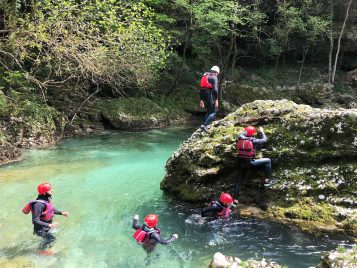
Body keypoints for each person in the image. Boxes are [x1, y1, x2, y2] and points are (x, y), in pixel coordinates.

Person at [22, 182, 69, 255]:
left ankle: (42, 249)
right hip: (40, 229)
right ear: (44, 193)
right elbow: (35, 220)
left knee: (49, 238)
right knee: (52, 239)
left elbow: (50, 209)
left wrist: (61, 213)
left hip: (45, 227)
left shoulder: (46, 200)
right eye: (49, 190)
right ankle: (41, 251)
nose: (52, 191)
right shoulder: (38, 205)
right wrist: (49, 225)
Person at [234, 126, 277, 201]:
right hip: (250, 163)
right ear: (252, 134)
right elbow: (264, 140)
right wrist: (261, 131)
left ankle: (235, 200)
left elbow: (241, 134)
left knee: (238, 182)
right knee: (268, 160)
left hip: (240, 163)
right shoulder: (253, 141)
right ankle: (266, 181)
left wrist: (246, 132)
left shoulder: (239, 139)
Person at [199, 66, 220, 132]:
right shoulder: (214, 77)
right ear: (216, 72)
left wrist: (201, 99)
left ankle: (202, 125)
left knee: (209, 111)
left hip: (203, 94)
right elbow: (215, 90)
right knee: (213, 113)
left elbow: (202, 88)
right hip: (209, 95)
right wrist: (216, 99)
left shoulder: (206, 76)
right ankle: (205, 125)